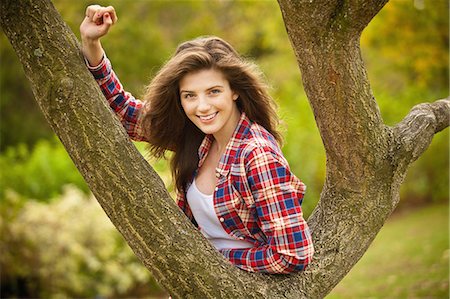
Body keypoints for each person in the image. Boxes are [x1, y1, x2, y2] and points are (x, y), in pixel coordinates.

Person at [80, 4, 314, 274]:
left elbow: (292, 254)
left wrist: (215, 261)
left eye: (213, 91)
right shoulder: (199, 138)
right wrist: (91, 42)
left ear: (234, 90)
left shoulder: (256, 154)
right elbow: (124, 111)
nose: (202, 107)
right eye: (189, 95)